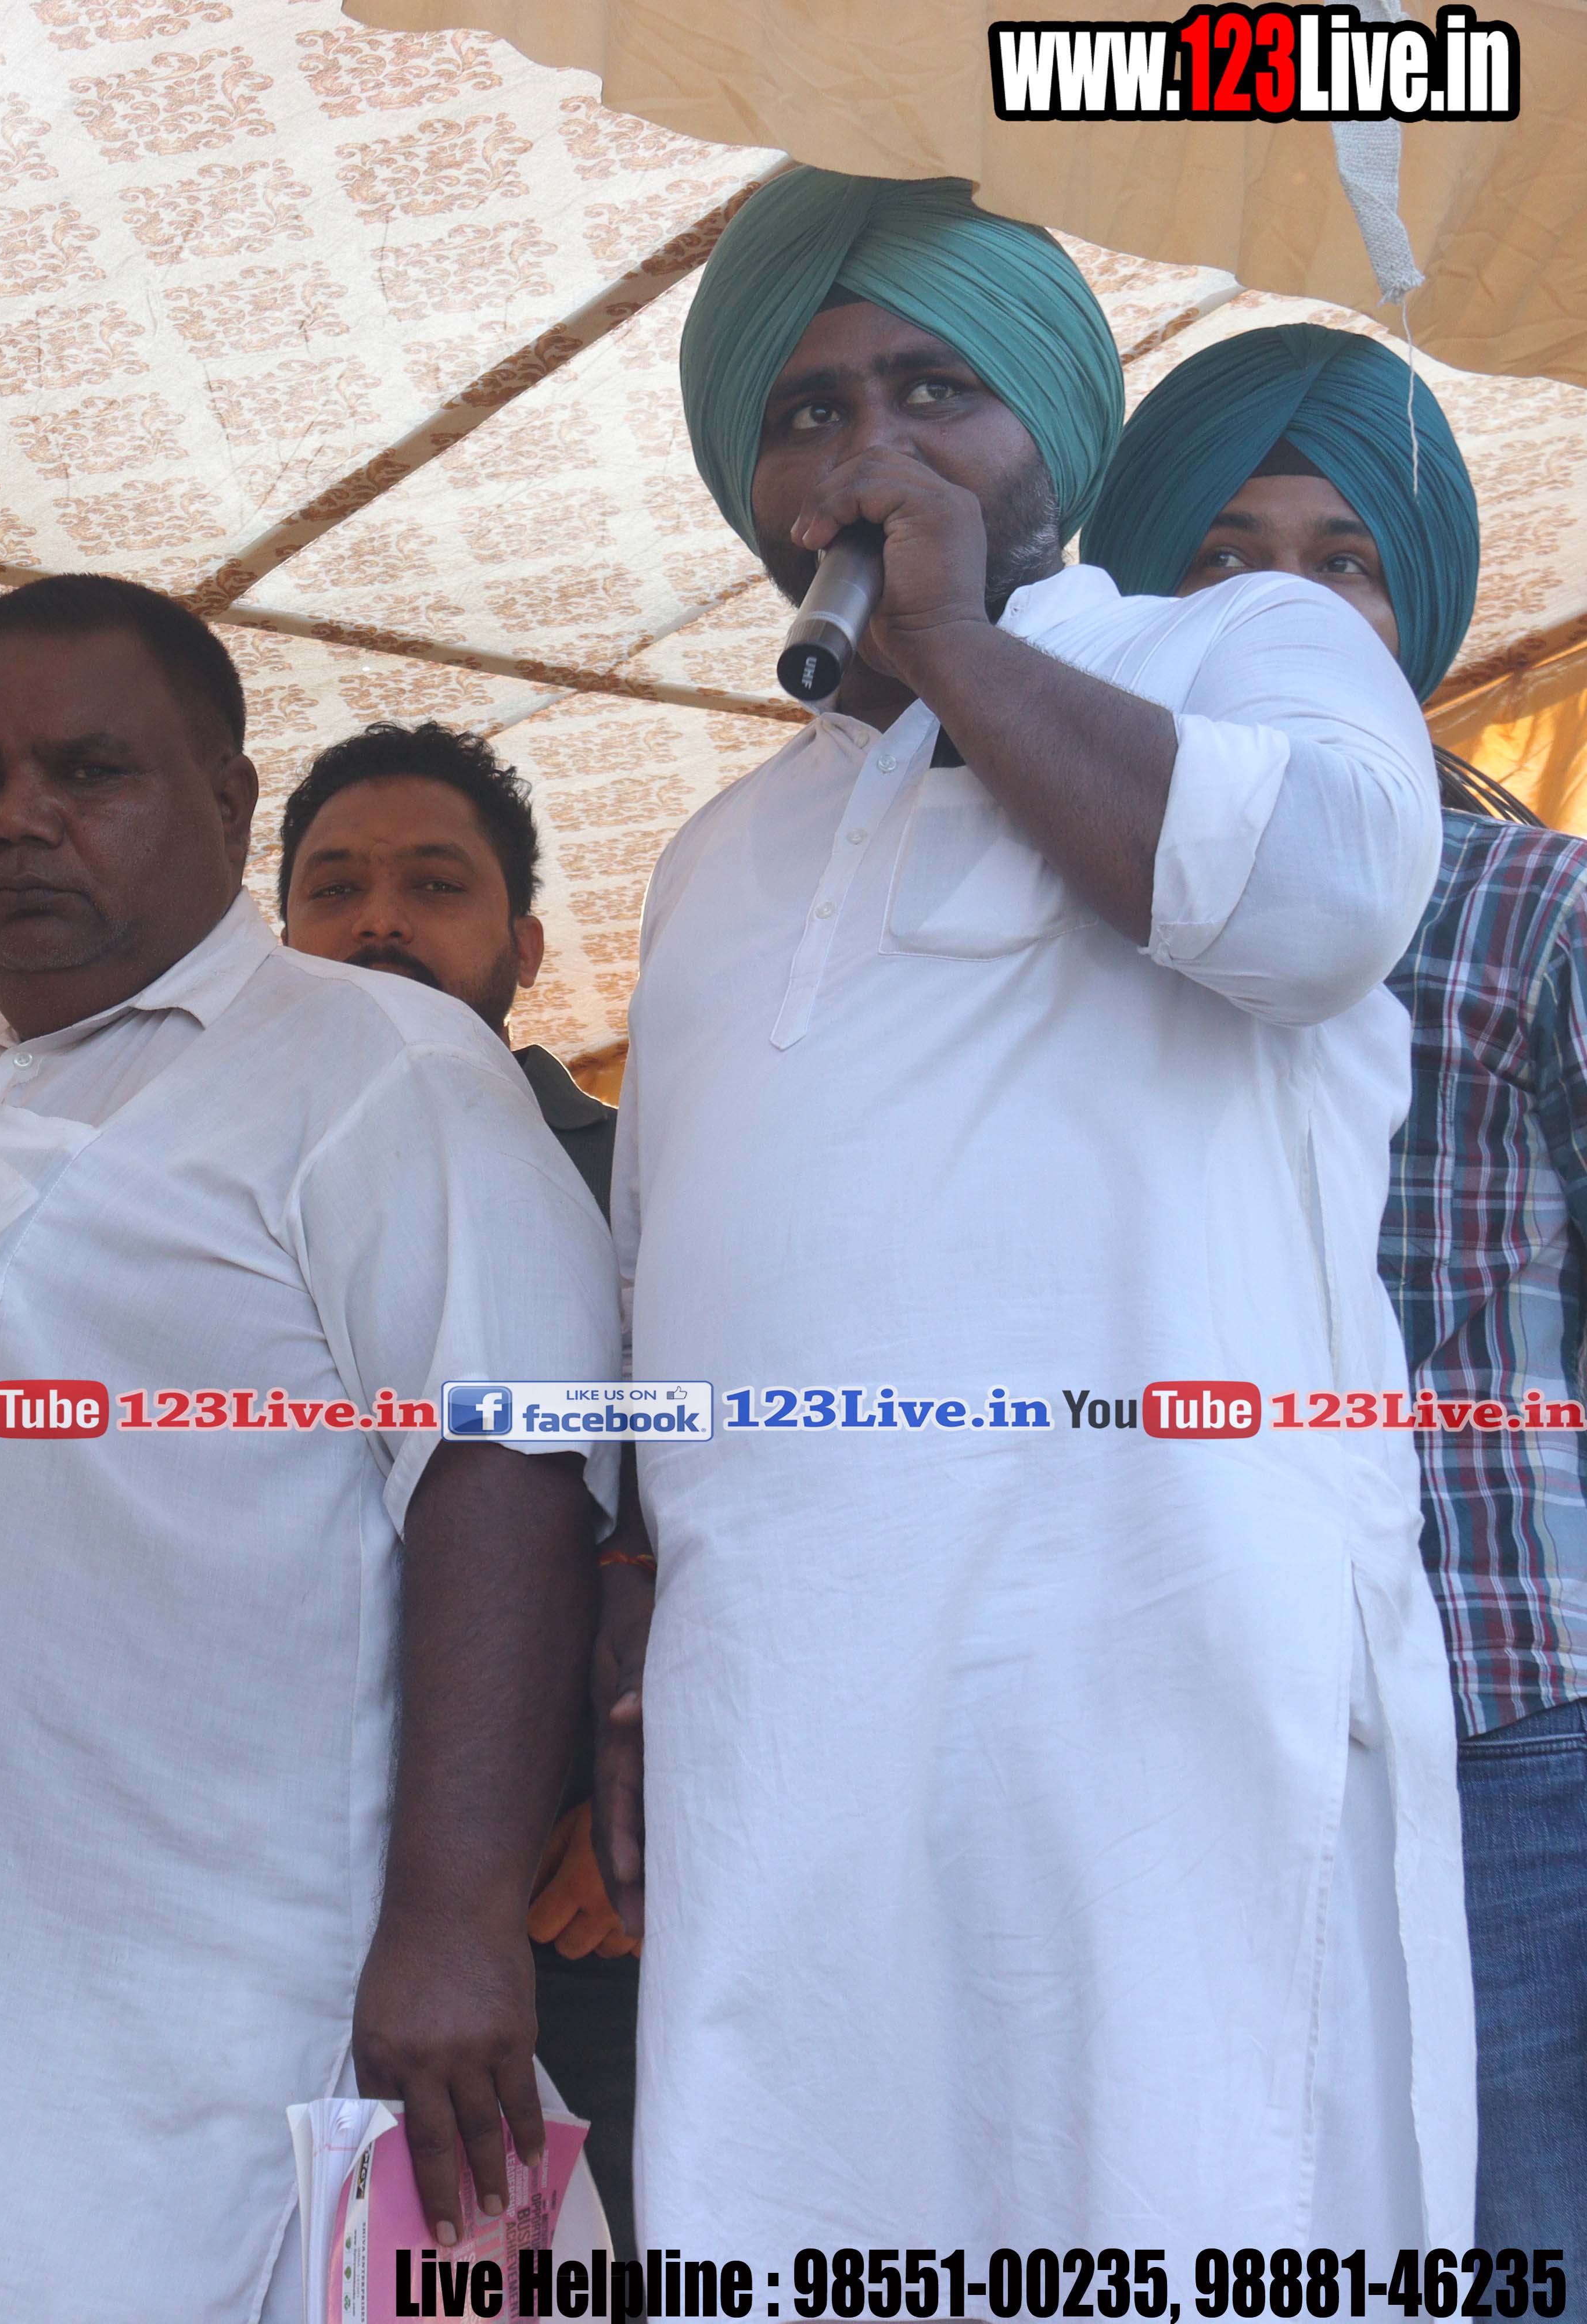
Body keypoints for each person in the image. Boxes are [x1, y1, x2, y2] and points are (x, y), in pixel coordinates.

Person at [602, 169, 1470, 2244]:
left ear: (1054, 431)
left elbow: (1316, 898)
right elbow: (660, 1292)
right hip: (789, 1729)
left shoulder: (1239, 644)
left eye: (934, 391)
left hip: (1158, 1696)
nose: (867, 454)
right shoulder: (714, 861)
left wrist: (953, 646)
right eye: (806, 412)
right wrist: (630, 1637)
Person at [0, 573, 620, 2322]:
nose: (16, 820)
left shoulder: (369, 1061)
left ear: (229, 804)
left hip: (198, 2053)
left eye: (87, 771)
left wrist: (458, 1918)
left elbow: (505, 1464)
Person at [1087, 325, 1582, 2250]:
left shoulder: (1538, 906)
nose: (1284, 605)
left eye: (1344, 562)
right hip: (1185, 1716)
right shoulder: (1074, 928)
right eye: (1220, 558)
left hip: (1505, 1712)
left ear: (1413, 616)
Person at [273, 721, 641, 2255]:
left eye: (435, 886)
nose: (379, 922)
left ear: (523, 946)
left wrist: (639, 1806)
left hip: (578, 1911)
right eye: (334, 888)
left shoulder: (631, 1175)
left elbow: (724, 1496)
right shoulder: (229, 1166)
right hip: (289, 1898)